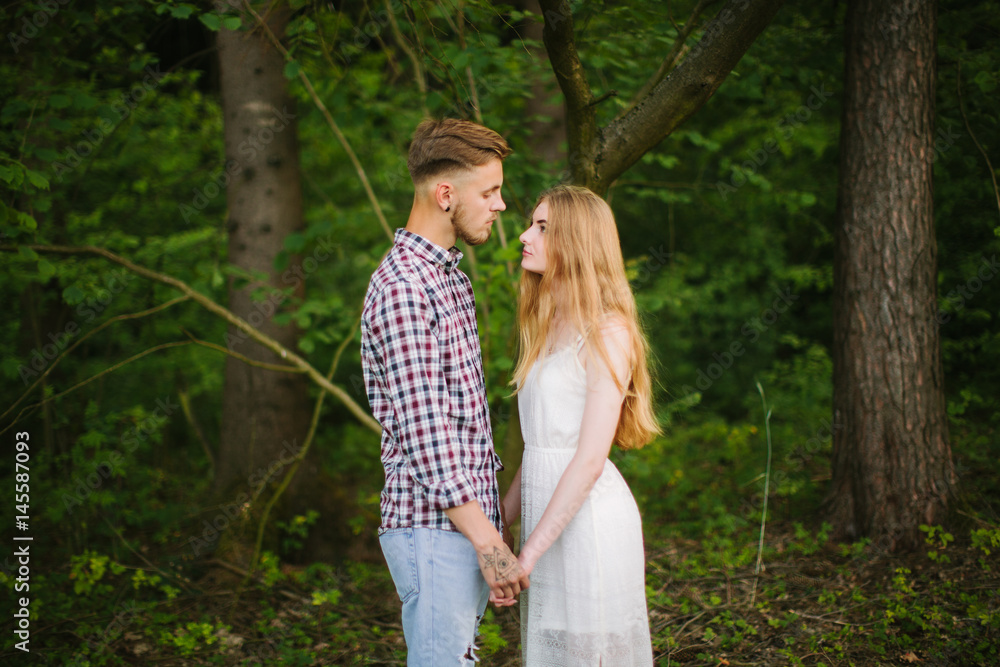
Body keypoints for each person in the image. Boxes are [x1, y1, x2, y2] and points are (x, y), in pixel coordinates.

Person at [360, 118, 529, 666]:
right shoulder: (405, 287)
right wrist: (489, 543)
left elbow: (461, 425)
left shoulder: (447, 277)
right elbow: (428, 436)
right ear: (446, 194)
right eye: (490, 192)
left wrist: (491, 526)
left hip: (458, 528)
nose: (501, 205)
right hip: (433, 530)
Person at [499, 185, 659, 666]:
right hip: (544, 521)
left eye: (543, 228)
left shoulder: (608, 331)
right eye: (532, 224)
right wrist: (501, 521)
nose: (525, 236)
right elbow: (541, 448)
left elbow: (589, 459)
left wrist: (528, 554)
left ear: (578, 241)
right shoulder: (547, 323)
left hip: (589, 524)